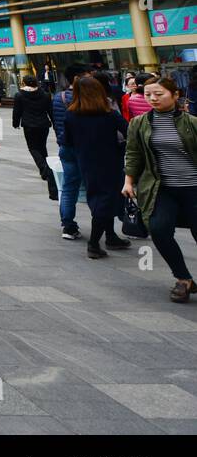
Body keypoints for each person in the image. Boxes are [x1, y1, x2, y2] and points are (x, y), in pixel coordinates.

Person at [124, 77, 197, 301]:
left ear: (175, 95)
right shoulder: (139, 123)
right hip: (161, 188)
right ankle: (183, 279)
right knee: (159, 229)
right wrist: (128, 181)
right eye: (148, 95)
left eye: (159, 94)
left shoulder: (192, 123)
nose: (153, 99)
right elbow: (133, 153)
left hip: (193, 187)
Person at [62, 75, 133, 259]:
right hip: (110, 161)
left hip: (86, 162)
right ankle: (94, 244)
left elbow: (67, 141)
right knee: (106, 201)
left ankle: (110, 237)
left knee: (99, 199)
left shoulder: (71, 114)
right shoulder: (108, 113)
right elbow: (129, 132)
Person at [51, 65, 86, 241]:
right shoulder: (89, 98)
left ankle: (67, 225)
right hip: (86, 148)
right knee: (95, 187)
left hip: (66, 146)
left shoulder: (59, 97)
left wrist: (61, 140)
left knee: (68, 187)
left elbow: (57, 123)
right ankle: (106, 228)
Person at [12, 74, 58, 201]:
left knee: (33, 147)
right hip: (43, 124)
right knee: (42, 146)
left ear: (24, 82)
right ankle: (46, 170)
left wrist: (15, 123)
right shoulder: (45, 94)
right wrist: (54, 123)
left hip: (29, 125)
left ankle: (45, 169)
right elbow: (50, 110)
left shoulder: (20, 95)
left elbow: (17, 111)